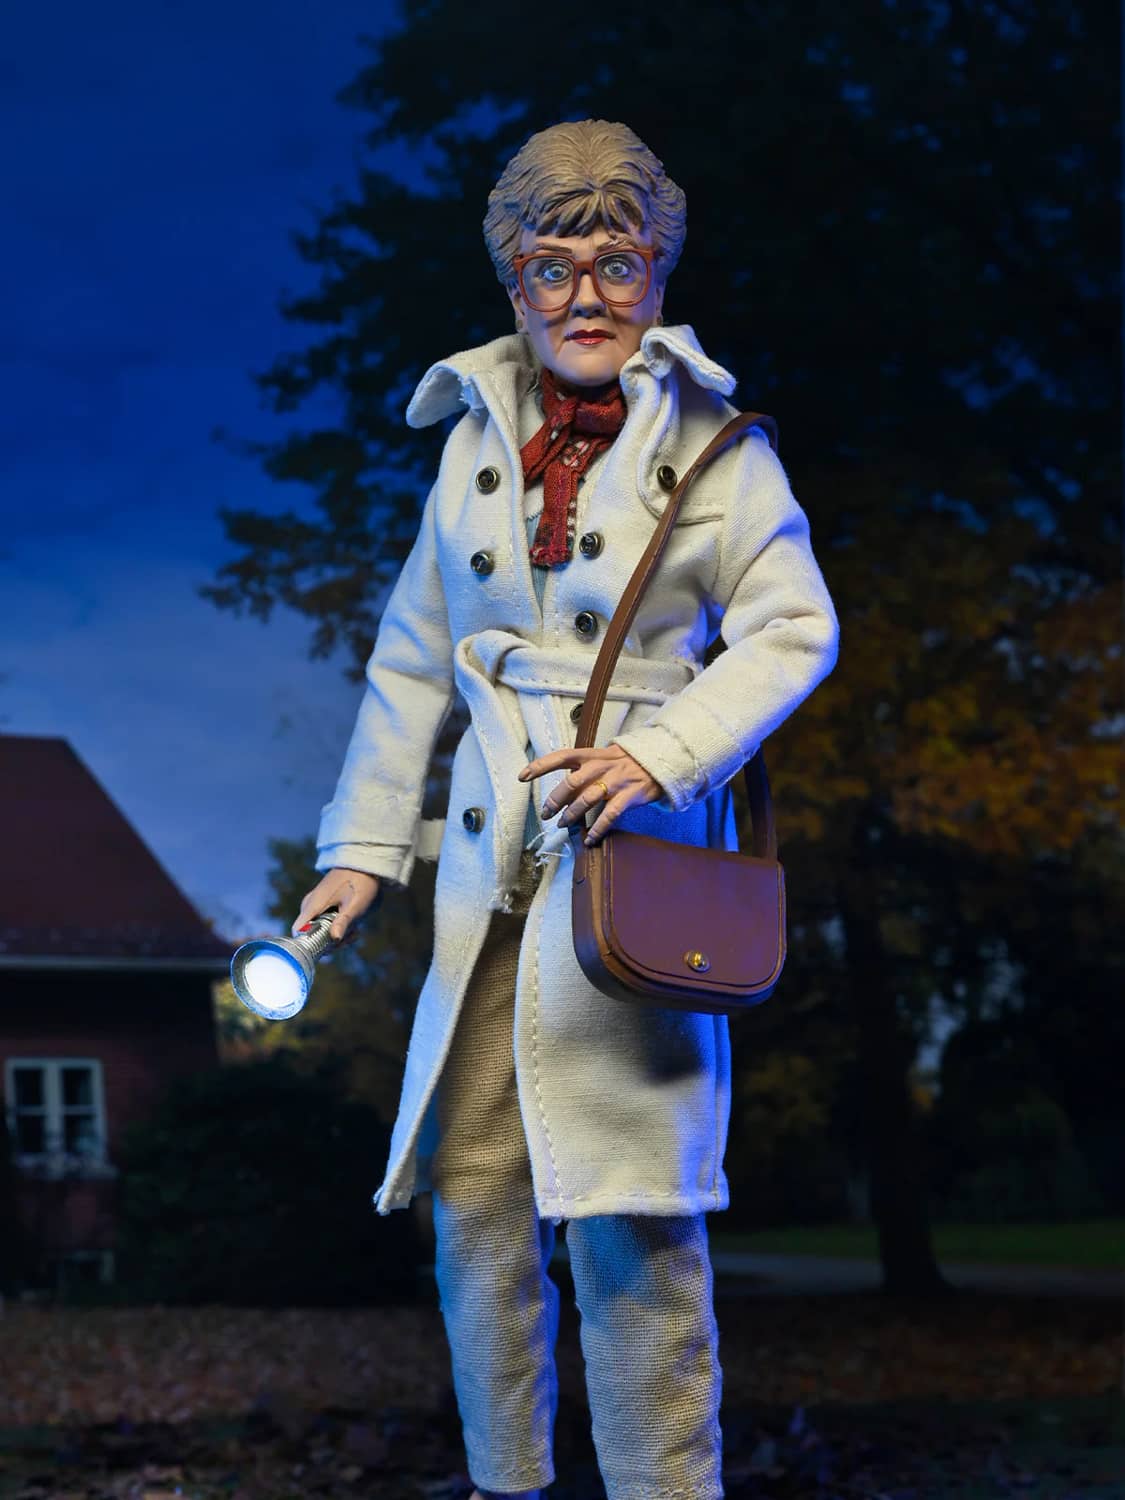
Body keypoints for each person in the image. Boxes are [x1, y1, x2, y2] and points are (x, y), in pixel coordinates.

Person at [294, 119, 839, 1500]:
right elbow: (413, 658)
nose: (585, 297)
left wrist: (663, 753)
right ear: (513, 281)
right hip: (488, 874)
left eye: (618, 264)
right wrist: (363, 847)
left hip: (628, 875)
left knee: (631, 1217)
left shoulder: (718, 451)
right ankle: (507, 1483)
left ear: (658, 274)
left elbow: (793, 631)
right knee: (473, 1199)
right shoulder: (472, 443)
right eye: (553, 266)